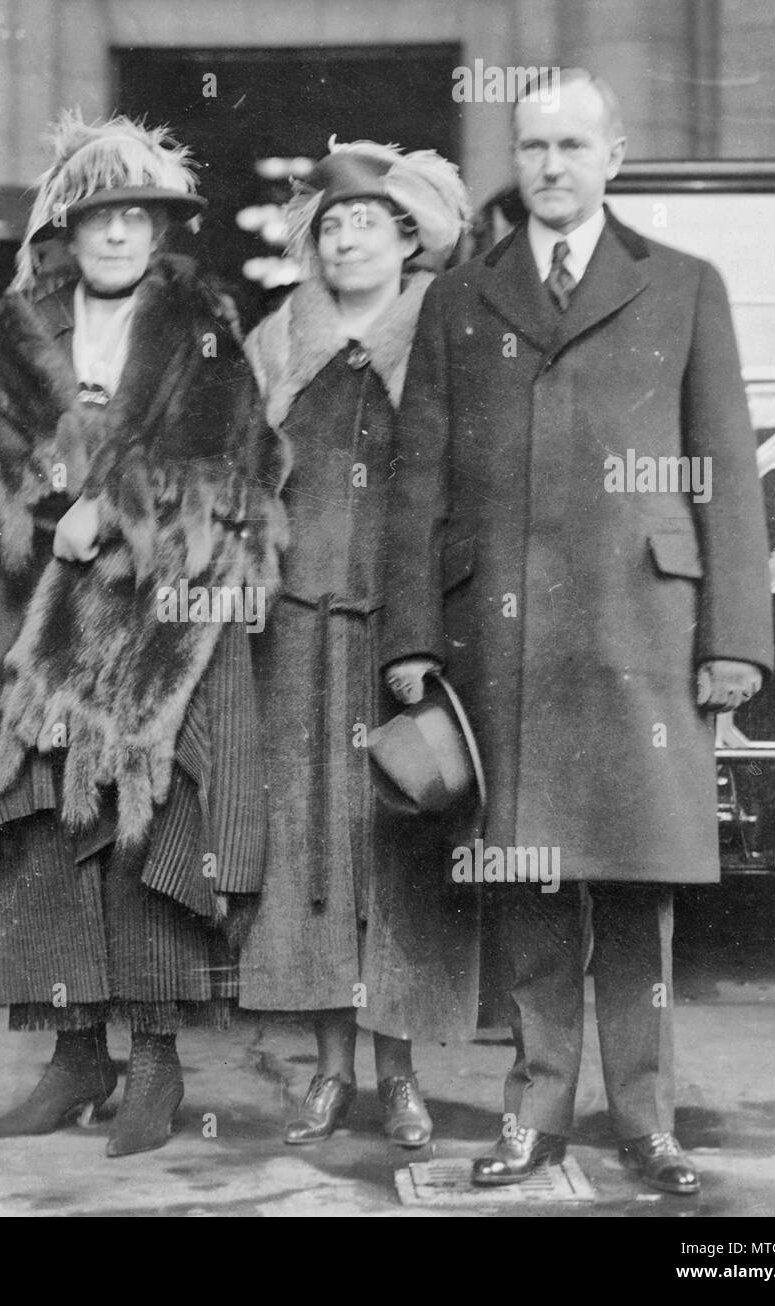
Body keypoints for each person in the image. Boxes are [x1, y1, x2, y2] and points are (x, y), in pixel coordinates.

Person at [389, 69, 774, 1195]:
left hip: (640, 631)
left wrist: (735, 638)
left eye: (571, 145)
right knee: (529, 887)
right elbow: (416, 482)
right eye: (532, 146)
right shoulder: (461, 299)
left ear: (614, 155)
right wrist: (409, 636)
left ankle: (647, 1123)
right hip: (496, 644)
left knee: (639, 888)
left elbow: (726, 474)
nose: (550, 166)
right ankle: (534, 1115)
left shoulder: (684, 286)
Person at [0, 111, 289, 1158]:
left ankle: (153, 1060)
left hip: (159, 625)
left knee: (149, 827)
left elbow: (236, 469)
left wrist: (125, 507)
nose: (116, 235)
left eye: (137, 217)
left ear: (160, 230)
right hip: (38, 613)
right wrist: (59, 507)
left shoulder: (202, 326)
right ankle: (71, 1057)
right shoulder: (7, 328)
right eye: (98, 216)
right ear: (67, 224)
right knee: (48, 832)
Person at [237, 141, 479, 1149]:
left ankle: (403, 1074)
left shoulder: (446, 337)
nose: (344, 239)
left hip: (404, 637)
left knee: (404, 847)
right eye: (329, 226)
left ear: (408, 237)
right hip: (294, 635)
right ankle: (330, 1070)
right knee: (311, 851)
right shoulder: (269, 343)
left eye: (366, 223)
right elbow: (233, 487)